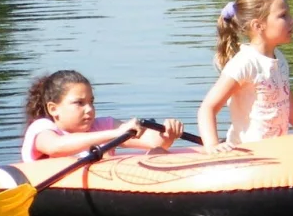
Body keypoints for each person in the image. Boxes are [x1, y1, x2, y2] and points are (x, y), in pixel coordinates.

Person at [197, 0, 293, 151]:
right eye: (283, 16)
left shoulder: (279, 59)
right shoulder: (245, 63)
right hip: (250, 156)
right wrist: (212, 145)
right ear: (258, 25)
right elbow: (208, 108)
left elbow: (291, 108)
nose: (292, 20)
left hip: (276, 152)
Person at [21, 69, 182, 163]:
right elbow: (55, 147)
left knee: (157, 152)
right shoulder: (42, 128)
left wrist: (167, 134)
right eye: (79, 103)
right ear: (53, 109)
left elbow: (153, 142)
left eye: (91, 102)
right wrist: (116, 134)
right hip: (64, 188)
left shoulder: (103, 125)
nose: (89, 109)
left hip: (110, 185)